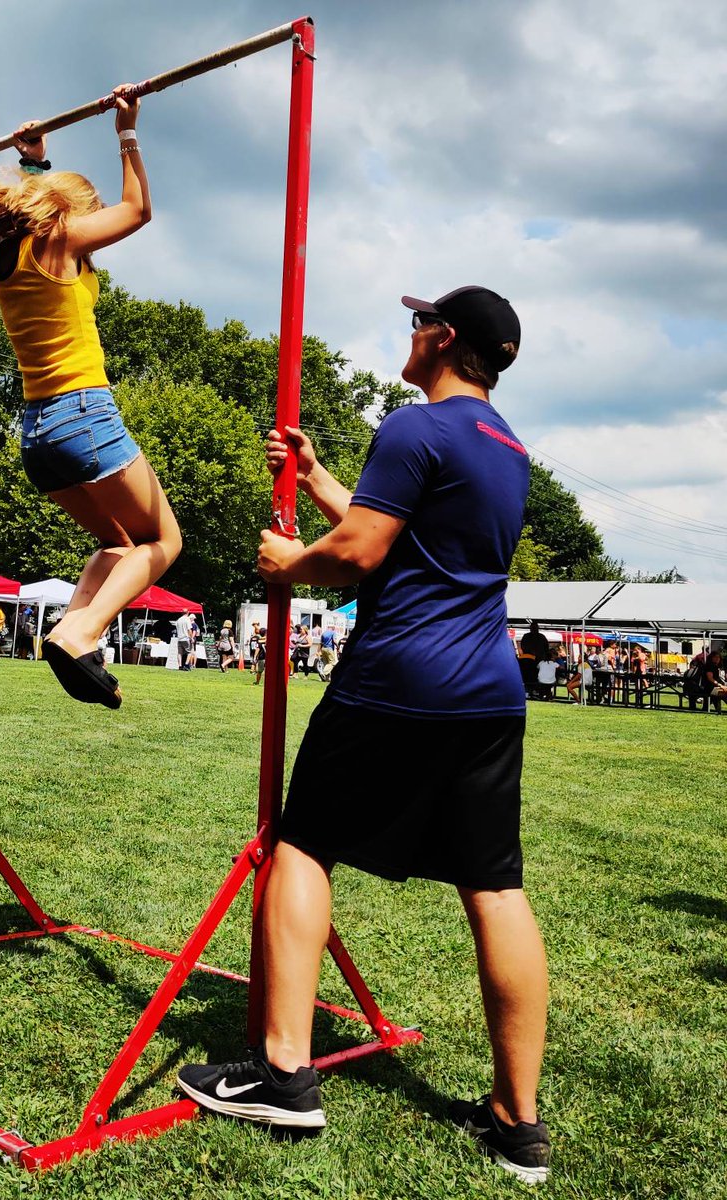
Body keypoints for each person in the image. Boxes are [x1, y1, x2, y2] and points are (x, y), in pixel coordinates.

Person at [177, 287, 551, 1183]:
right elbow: (403, 536)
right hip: (488, 694)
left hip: (400, 682)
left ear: (445, 338)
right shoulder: (507, 447)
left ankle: (282, 1073)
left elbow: (356, 552)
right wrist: (313, 477)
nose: (410, 332)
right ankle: (517, 1122)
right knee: (496, 888)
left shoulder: (416, 426)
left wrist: (287, 563)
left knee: (303, 847)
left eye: (421, 322)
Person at [0, 89, 182, 710]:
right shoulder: (59, 242)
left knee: (118, 549)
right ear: (68, 216)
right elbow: (137, 210)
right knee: (165, 543)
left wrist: (33, 165)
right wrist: (127, 132)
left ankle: (69, 636)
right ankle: (83, 630)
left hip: (37, 436)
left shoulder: (7, 254)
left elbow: (40, 213)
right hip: (83, 416)